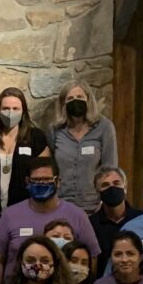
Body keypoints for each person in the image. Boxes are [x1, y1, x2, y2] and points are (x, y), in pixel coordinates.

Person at [0, 158, 100, 283]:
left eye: (47, 179)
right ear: (27, 181)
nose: (41, 183)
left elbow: (92, 257)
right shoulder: (9, 215)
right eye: (36, 180)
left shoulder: (77, 215)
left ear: (57, 182)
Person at [0, 86, 50, 237]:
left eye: (16, 108)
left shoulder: (36, 137)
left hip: (26, 210)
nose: (10, 113)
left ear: (23, 111)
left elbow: (45, 174)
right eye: (6, 108)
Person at [47, 82, 118, 211]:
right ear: (63, 104)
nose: (76, 101)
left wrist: (104, 201)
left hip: (93, 205)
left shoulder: (104, 127)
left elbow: (109, 168)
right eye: (70, 99)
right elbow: (49, 166)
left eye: (80, 97)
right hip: (60, 205)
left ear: (88, 100)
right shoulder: (55, 129)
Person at [89, 167, 142, 276]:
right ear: (98, 191)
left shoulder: (141, 219)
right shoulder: (90, 225)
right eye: (105, 185)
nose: (112, 188)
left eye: (116, 183)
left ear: (125, 187)